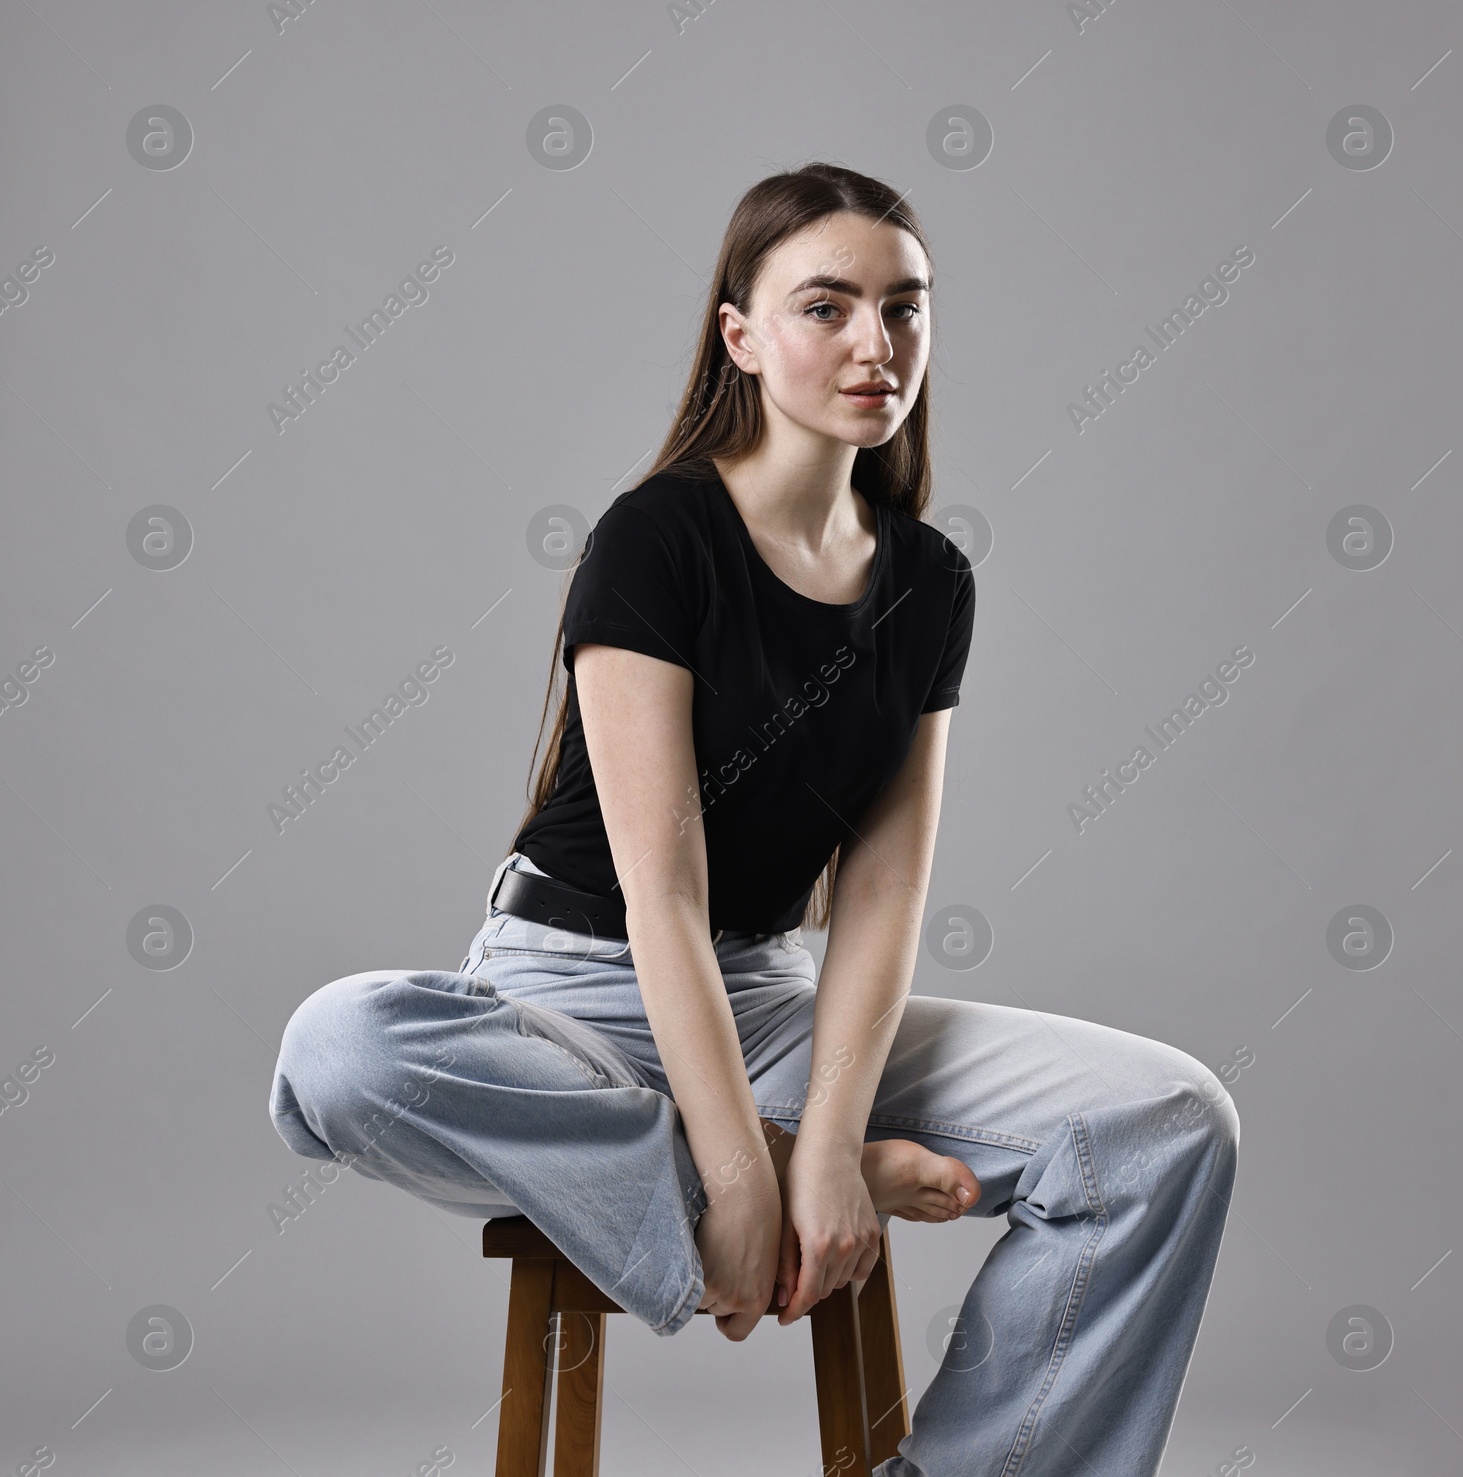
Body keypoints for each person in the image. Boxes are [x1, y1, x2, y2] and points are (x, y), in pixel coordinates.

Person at [269, 161, 1239, 1477]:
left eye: (905, 309)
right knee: (338, 1050)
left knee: (1172, 1120)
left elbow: (884, 899)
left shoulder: (929, 582)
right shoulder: (654, 539)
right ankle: (738, 1159)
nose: (873, 344)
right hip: (570, 1003)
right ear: (740, 334)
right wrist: (743, 1177)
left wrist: (833, 1138)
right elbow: (658, 890)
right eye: (826, 307)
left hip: (779, 1008)